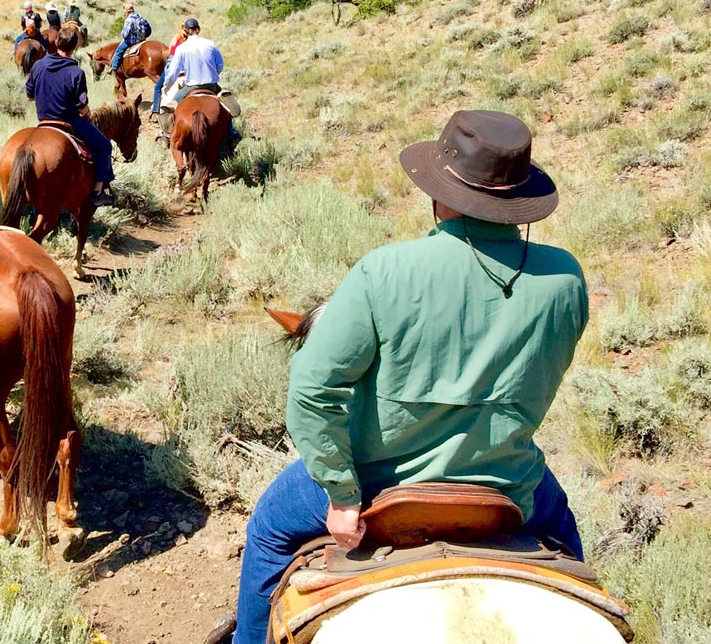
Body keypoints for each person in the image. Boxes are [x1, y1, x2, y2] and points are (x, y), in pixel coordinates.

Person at [217, 111, 588, 644]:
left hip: (378, 484)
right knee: (568, 545)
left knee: (270, 528)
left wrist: (343, 496)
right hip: (510, 484)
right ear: (518, 199)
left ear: (442, 190)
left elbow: (312, 388)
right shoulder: (565, 277)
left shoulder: (384, 271)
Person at [26, 31, 116, 207]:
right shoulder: (76, 72)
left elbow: (30, 96)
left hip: (43, 122)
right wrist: (87, 112)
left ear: (57, 42)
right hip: (69, 123)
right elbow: (81, 107)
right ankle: (97, 192)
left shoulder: (38, 65)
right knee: (104, 146)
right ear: (75, 47)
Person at [157, 18, 235, 147]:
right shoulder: (211, 44)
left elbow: (173, 72)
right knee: (226, 106)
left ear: (186, 31)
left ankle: (168, 135)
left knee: (169, 107)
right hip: (212, 86)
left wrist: (166, 87)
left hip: (190, 87)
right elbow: (220, 65)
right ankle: (231, 134)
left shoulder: (182, 48)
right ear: (198, 29)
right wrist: (211, 73)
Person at [151, 22, 190, 115]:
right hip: (186, 68)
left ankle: (156, 110)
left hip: (172, 64)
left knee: (158, 87)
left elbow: (170, 50)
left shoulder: (177, 37)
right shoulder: (190, 42)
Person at [108, 2, 149, 77]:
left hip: (132, 41)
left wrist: (123, 35)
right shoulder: (140, 16)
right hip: (142, 39)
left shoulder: (129, 20)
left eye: (125, 11)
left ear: (127, 11)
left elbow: (125, 34)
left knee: (118, 51)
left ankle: (114, 69)